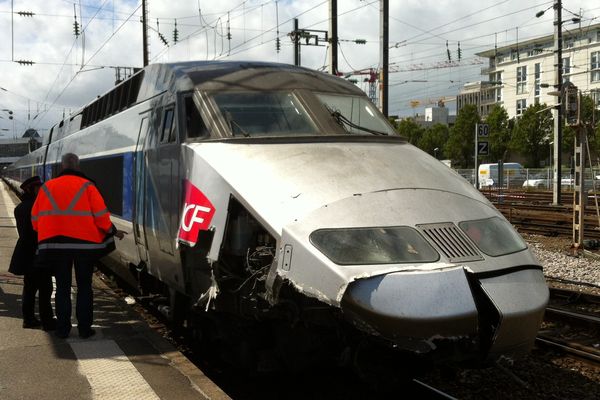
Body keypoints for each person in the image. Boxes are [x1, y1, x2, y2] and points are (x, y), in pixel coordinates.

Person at [32, 153, 125, 339]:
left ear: (62, 166)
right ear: (78, 166)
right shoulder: (89, 187)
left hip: (56, 246)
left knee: (62, 287)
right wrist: (114, 231)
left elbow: (35, 220)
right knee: (84, 287)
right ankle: (84, 329)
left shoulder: (47, 188)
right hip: (85, 248)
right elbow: (101, 217)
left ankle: (63, 329)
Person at [8, 176, 56, 330]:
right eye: (39, 188)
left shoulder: (20, 208)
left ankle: (28, 319)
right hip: (40, 253)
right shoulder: (40, 207)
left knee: (29, 289)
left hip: (26, 254)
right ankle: (47, 321)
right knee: (45, 288)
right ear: (32, 189)